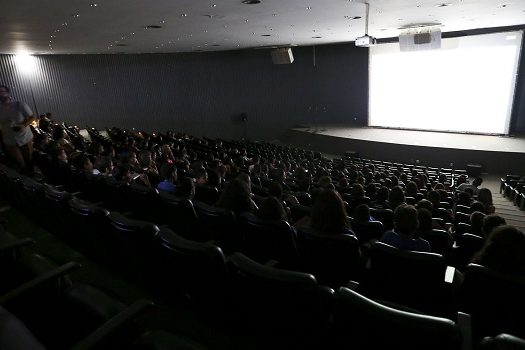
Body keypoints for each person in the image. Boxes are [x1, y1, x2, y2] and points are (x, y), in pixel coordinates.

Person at [0, 85, 36, 172]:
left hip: (24, 137)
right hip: (9, 140)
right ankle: (25, 180)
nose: (1, 94)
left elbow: (32, 117)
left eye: (2, 92)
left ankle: (33, 177)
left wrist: (23, 125)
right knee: (20, 164)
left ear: (8, 93)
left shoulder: (19, 104)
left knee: (29, 161)